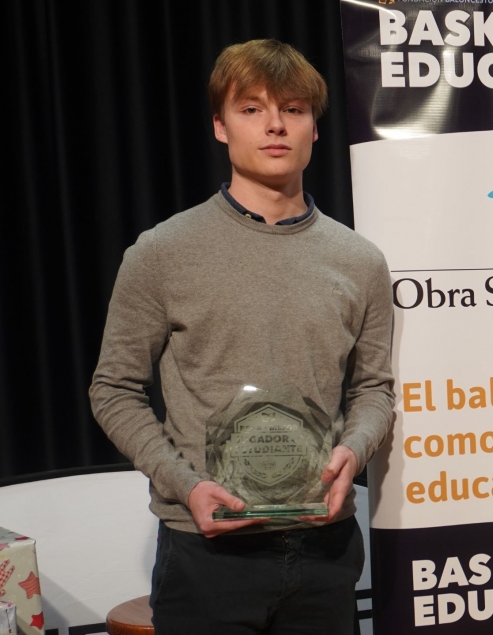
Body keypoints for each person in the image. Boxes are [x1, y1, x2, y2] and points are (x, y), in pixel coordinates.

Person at [89, 39, 395, 634]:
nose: (275, 124)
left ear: (314, 128)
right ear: (220, 126)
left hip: (325, 550)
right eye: (251, 108)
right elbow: (114, 389)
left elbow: (374, 390)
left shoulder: (360, 261)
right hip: (207, 554)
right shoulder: (162, 253)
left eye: (293, 109)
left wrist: (354, 451)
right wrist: (185, 484)